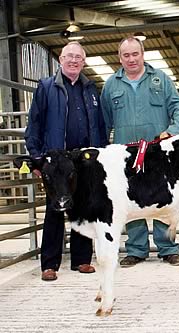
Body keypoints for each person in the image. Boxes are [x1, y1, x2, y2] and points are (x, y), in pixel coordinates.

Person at [101, 37, 179, 267]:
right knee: (130, 199)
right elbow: (103, 120)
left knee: (163, 199)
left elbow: (178, 107)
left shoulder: (160, 79)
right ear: (119, 58)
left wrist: (173, 131)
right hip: (125, 155)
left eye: (135, 54)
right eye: (126, 55)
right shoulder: (111, 85)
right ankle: (136, 249)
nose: (131, 59)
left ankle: (168, 248)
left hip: (158, 152)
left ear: (143, 54)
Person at [24, 41, 108, 281]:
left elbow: (100, 126)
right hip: (56, 160)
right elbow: (35, 124)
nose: (73, 61)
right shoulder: (47, 87)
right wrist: (37, 158)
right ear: (60, 60)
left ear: (83, 61)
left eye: (78, 57)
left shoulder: (91, 89)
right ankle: (49, 264)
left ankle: (82, 260)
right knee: (54, 210)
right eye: (69, 56)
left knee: (82, 207)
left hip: (82, 160)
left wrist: (99, 155)